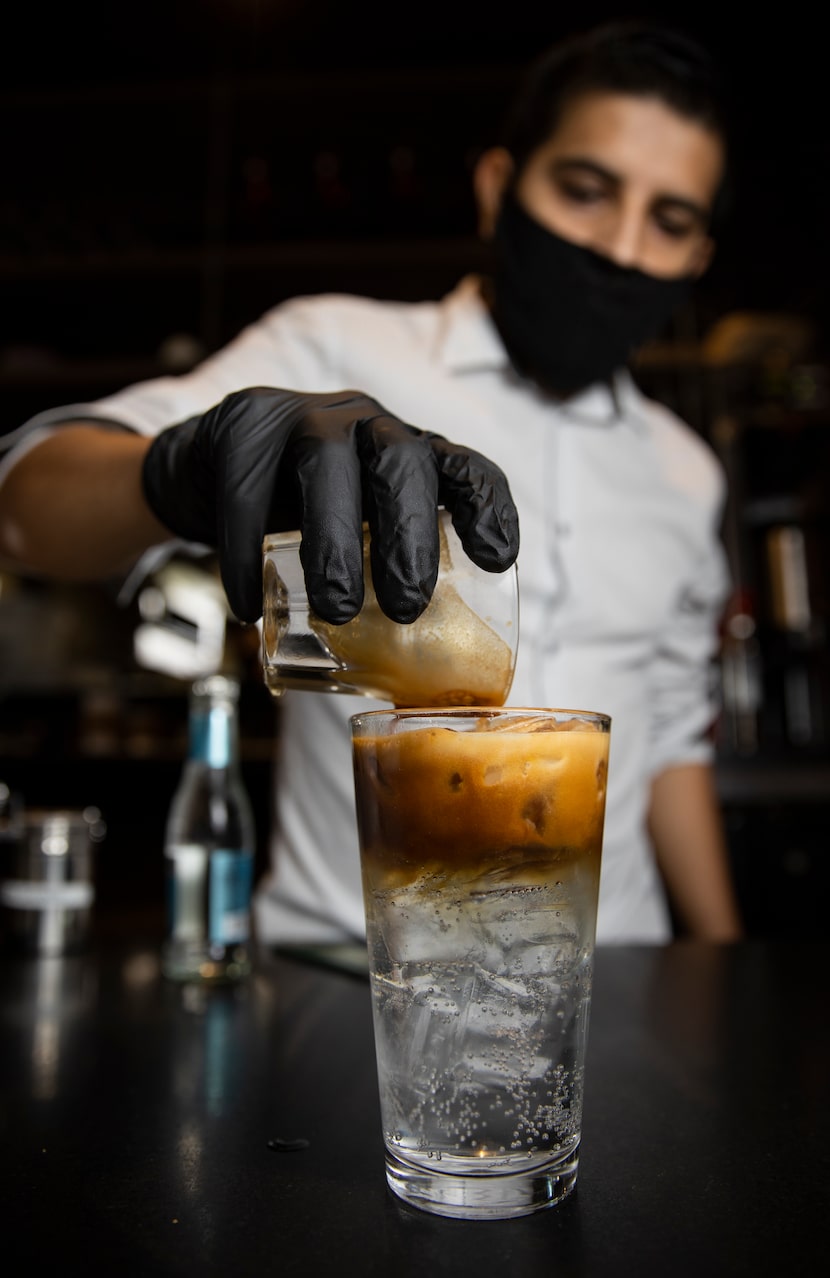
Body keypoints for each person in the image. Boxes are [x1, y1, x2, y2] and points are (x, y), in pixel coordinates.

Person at [0, 20, 744, 945]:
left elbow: (670, 743)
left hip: (614, 980)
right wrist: (170, 470)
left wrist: (722, 964)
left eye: (668, 222)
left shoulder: (687, 472)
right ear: (498, 188)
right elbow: (25, 503)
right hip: (347, 974)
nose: (622, 248)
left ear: (698, 260)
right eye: (587, 192)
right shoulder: (333, 346)